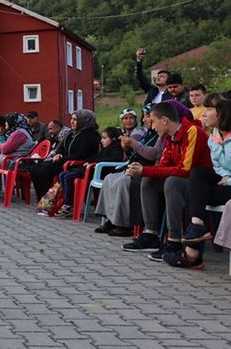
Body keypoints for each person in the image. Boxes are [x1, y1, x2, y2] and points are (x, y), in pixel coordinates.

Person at [122, 101, 212, 262]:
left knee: (172, 182)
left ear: (164, 120)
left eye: (153, 121)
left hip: (200, 184)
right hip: (184, 180)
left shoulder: (193, 131)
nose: (152, 126)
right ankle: (150, 234)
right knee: (148, 180)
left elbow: (185, 169)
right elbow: (163, 165)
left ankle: (174, 240)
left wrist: (145, 169)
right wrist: (142, 170)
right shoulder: (170, 137)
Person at [165, 93, 230, 268]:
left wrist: (228, 179)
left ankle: (192, 255)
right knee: (198, 173)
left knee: (197, 194)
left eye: (209, 109)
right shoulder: (215, 136)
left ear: (223, 112)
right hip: (222, 182)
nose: (203, 113)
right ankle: (197, 226)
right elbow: (216, 167)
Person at [94, 104, 163, 237]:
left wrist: (132, 144)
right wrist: (126, 147)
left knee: (122, 183)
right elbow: (135, 153)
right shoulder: (149, 133)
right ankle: (110, 219)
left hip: (147, 168)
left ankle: (124, 224)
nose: (144, 120)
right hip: (136, 165)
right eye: (144, 116)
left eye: (147, 116)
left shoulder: (154, 134)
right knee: (109, 179)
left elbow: (152, 154)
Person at [53, 127, 125, 218]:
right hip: (90, 170)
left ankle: (68, 205)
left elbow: (115, 159)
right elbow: (96, 156)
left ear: (113, 139)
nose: (101, 141)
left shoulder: (116, 148)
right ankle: (68, 202)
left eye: (104, 138)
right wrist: (88, 161)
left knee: (68, 177)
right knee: (62, 174)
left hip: (99, 172)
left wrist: (96, 163)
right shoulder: (105, 148)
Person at [29, 110, 100, 200]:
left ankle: (48, 200)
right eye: (71, 119)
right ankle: (42, 199)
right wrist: (58, 154)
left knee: (43, 171)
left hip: (76, 164)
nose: (71, 121)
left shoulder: (90, 136)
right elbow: (62, 146)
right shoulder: (72, 133)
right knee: (34, 169)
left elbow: (81, 154)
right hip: (64, 160)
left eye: (75, 119)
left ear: (83, 121)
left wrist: (62, 157)